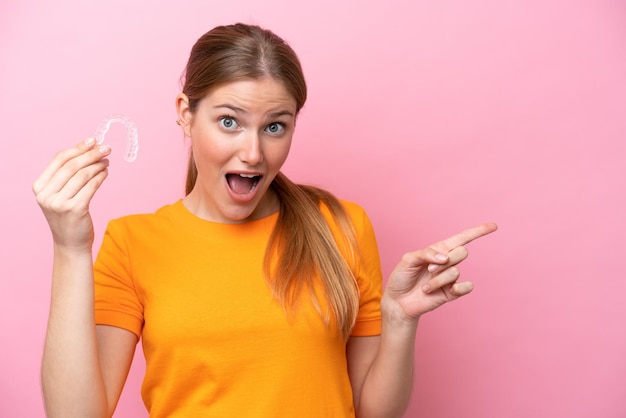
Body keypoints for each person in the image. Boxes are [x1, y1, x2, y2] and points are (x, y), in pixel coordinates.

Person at [33, 23, 497, 418]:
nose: (254, 154)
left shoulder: (341, 225)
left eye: (275, 126)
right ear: (185, 115)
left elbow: (375, 410)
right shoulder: (133, 242)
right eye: (229, 122)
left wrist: (398, 320)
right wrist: (70, 248)